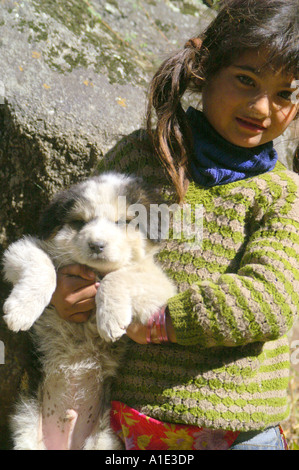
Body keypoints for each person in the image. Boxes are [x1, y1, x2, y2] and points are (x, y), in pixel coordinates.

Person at [50, 0, 298, 450]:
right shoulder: (140, 158)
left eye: (285, 94)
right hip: (129, 422)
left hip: (239, 433)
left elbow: (269, 299)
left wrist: (161, 319)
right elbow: (78, 234)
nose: (262, 108)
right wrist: (64, 285)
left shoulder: (281, 194)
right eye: (246, 80)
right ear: (206, 71)